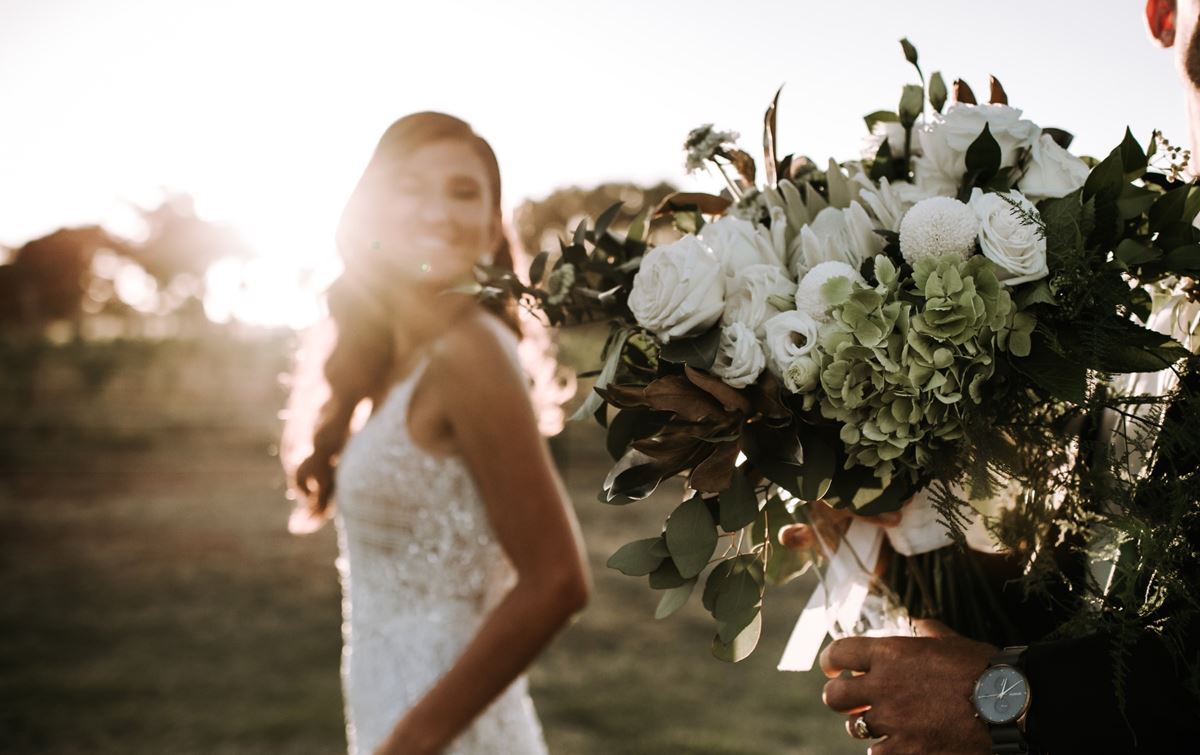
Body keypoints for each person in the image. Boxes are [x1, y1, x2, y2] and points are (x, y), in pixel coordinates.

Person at [783, 5, 1200, 752]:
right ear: (1162, 13)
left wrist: (998, 697)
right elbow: (1074, 604)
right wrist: (894, 543)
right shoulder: (1120, 286)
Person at [282, 112, 590, 755]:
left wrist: (411, 743)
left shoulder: (469, 352)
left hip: (444, 731)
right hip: (390, 705)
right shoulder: (401, 360)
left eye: (463, 192)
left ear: (489, 223)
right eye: (411, 186)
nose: (439, 210)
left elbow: (557, 580)